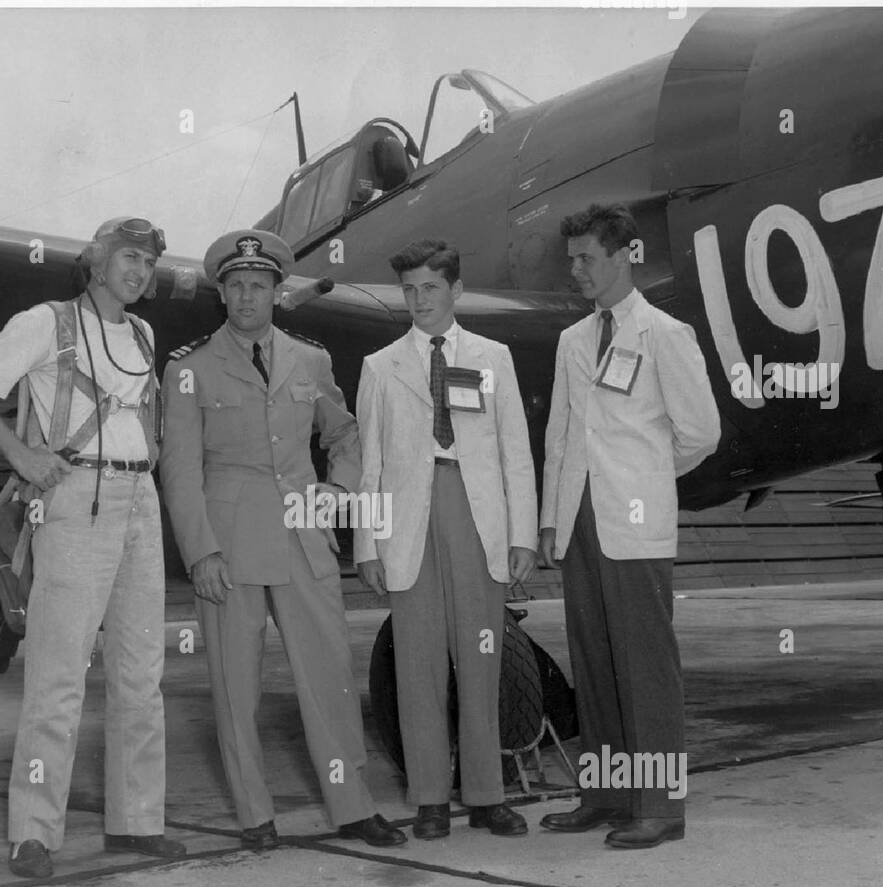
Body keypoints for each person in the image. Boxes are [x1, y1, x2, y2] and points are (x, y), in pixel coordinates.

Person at [0, 216, 186, 878]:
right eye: (129, 258)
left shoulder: (141, 333)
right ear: (97, 262)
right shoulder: (45, 323)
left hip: (140, 502)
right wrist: (22, 455)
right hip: (76, 501)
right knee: (59, 676)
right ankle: (33, 834)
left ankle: (137, 824)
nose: (140, 272)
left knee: (143, 675)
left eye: (149, 263)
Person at [160, 229, 405, 851]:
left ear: (276, 291)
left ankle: (353, 806)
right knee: (235, 685)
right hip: (230, 541)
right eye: (236, 286)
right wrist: (200, 551)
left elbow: (344, 438)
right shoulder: (188, 369)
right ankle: (254, 815)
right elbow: (181, 470)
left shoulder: (311, 360)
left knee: (328, 674)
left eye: (259, 286)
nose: (247, 297)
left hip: (302, 532)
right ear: (221, 292)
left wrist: (337, 490)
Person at [538, 202, 721, 849]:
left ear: (624, 257)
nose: (577, 271)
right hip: (579, 521)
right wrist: (551, 522)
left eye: (588, 258)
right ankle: (606, 793)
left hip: (633, 519)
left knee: (644, 664)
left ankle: (660, 808)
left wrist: (644, 473)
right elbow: (561, 436)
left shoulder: (665, 334)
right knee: (594, 660)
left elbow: (701, 432)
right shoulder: (572, 341)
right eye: (573, 261)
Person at [355, 238, 537, 840]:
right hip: (408, 523)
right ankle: (430, 798)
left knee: (481, 659)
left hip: (476, 514)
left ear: (455, 290)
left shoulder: (494, 357)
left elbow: (516, 451)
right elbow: (371, 466)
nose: (418, 300)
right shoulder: (380, 367)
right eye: (408, 290)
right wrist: (367, 545)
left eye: (430, 288)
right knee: (417, 665)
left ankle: (487, 794)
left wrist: (522, 535)